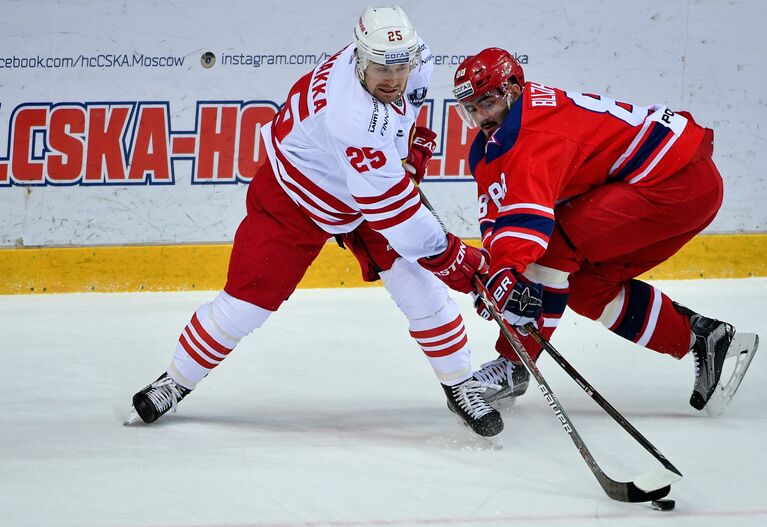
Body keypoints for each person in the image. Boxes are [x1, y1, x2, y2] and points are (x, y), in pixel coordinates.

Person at [125, 6, 503, 438]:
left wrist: (408, 148)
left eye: (401, 66)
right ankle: (175, 380)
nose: (393, 78)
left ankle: (460, 385)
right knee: (245, 305)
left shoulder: (414, 61)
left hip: (362, 191)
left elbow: (402, 124)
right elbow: (398, 218)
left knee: (422, 292)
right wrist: (457, 259)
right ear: (359, 60)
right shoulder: (349, 116)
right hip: (296, 197)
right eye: (382, 67)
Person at [452, 47, 758, 414]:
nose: (480, 117)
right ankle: (701, 337)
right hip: (669, 183)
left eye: (486, 103)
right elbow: (498, 214)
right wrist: (496, 273)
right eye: (470, 110)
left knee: (550, 255)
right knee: (583, 287)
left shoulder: (535, 137)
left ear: (513, 89)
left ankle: (513, 367)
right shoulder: (494, 142)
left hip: (677, 184)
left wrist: (508, 273)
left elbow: (527, 227)